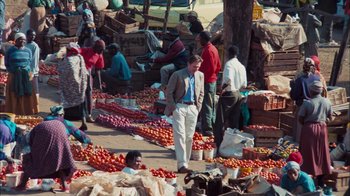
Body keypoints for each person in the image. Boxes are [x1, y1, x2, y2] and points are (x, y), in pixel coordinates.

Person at [165, 55, 204, 173]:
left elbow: (201, 92)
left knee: (189, 137)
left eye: (198, 67)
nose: (196, 69)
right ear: (188, 64)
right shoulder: (177, 74)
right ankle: (181, 164)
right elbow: (169, 92)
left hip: (193, 107)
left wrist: (198, 107)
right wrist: (174, 107)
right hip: (180, 106)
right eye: (194, 66)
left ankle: (185, 163)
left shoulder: (200, 75)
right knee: (180, 135)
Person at [17, 120, 77, 191]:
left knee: (31, 160)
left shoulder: (26, 139)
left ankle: (22, 185)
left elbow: (28, 153)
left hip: (46, 132)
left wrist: (26, 161)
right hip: (60, 130)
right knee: (61, 158)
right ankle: (64, 185)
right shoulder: (34, 132)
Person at [299, 80, 333, 186]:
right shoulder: (327, 102)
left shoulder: (307, 103)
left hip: (309, 129)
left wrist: (307, 124)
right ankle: (320, 180)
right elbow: (330, 117)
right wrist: (323, 121)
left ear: (311, 91)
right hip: (322, 128)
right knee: (322, 152)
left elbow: (301, 118)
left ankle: (307, 177)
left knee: (308, 153)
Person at [214, 46, 246, 149]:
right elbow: (244, 84)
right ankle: (231, 145)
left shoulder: (229, 64)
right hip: (238, 94)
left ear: (228, 53)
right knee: (234, 121)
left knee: (220, 119)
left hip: (229, 94)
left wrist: (221, 90)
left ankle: (218, 143)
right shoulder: (241, 66)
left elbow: (228, 79)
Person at [5, 33, 38, 115]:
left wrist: (26, 71)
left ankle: (27, 111)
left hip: (26, 75)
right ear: (15, 40)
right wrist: (13, 71)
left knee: (27, 94)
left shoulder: (28, 51)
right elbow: (7, 63)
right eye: (20, 39)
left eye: (23, 39)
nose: (22, 41)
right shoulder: (10, 51)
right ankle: (14, 112)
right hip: (14, 75)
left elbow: (29, 62)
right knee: (14, 94)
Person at [58, 42, 88, 130]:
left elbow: (61, 70)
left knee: (67, 104)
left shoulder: (67, 59)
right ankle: (83, 122)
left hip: (68, 87)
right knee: (80, 103)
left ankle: (67, 126)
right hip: (79, 86)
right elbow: (84, 71)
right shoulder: (80, 57)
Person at [197, 31, 221, 136]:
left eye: (200, 39)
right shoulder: (212, 49)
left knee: (207, 105)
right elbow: (218, 66)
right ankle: (211, 126)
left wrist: (203, 79)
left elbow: (212, 68)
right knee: (209, 104)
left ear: (203, 39)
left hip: (208, 81)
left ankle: (208, 129)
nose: (199, 41)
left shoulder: (209, 50)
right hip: (211, 80)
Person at [290, 58, 320, 142]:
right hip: (315, 108)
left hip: (302, 107)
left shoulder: (300, 80)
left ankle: (300, 150)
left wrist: (292, 86)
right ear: (313, 67)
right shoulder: (317, 79)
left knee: (300, 132)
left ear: (303, 67)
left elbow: (294, 96)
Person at [80, 39, 106, 122]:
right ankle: (80, 113)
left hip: (88, 74)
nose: (101, 51)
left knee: (89, 92)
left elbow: (98, 69)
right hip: (79, 72)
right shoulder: (86, 50)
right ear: (95, 47)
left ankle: (89, 115)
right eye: (100, 49)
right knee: (80, 93)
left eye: (102, 50)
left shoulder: (99, 55)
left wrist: (99, 83)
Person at [25, 29, 40, 113]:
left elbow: (34, 61)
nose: (33, 37)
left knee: (34, 90)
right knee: (28, 91)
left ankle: (36, 108)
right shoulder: (25, 44)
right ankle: (28, 107)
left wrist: (32, 73)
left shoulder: (35, 46)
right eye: (31, 35)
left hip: (32, 72)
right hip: (26, 70)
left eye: (34, 35)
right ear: (27, 36)